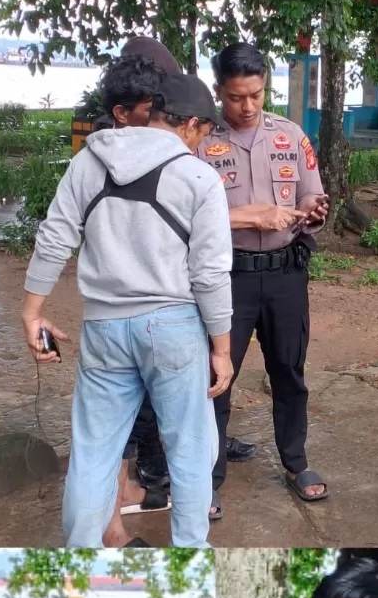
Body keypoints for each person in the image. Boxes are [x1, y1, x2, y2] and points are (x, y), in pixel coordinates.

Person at [24, 68, 234, 549]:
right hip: (174, 327)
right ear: (190, 124)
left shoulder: (87, 162)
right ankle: (190, 556)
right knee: (189, 452)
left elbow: (55, 237)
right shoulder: (199, 178)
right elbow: (209, 275)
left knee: (94, 454)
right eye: (204, 132)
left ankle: (81, 555)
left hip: (103, 327)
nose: (202, 144)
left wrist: (32, 310)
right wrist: (220, 348)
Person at [197, 42, 331, 519]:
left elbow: (312, 198)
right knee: (215, 379)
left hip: (284, 276)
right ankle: (206, 479)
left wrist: (314, 212)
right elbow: (189, 214)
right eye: (237, 97)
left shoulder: (291, 136)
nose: (248, 106)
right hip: (225, 278)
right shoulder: (198, 142)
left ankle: (296, 463)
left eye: (256, 94)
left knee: (290, 373)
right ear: (219, 92)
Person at [74, 40, 179, 539]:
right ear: (124, 110)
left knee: (115, 424)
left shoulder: (108, 147)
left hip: (113, 314)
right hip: (134, 313)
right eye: (154, 106)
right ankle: (111, 527)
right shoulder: (109, 150)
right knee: (107, 431)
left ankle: (122, 503)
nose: (163, 113)